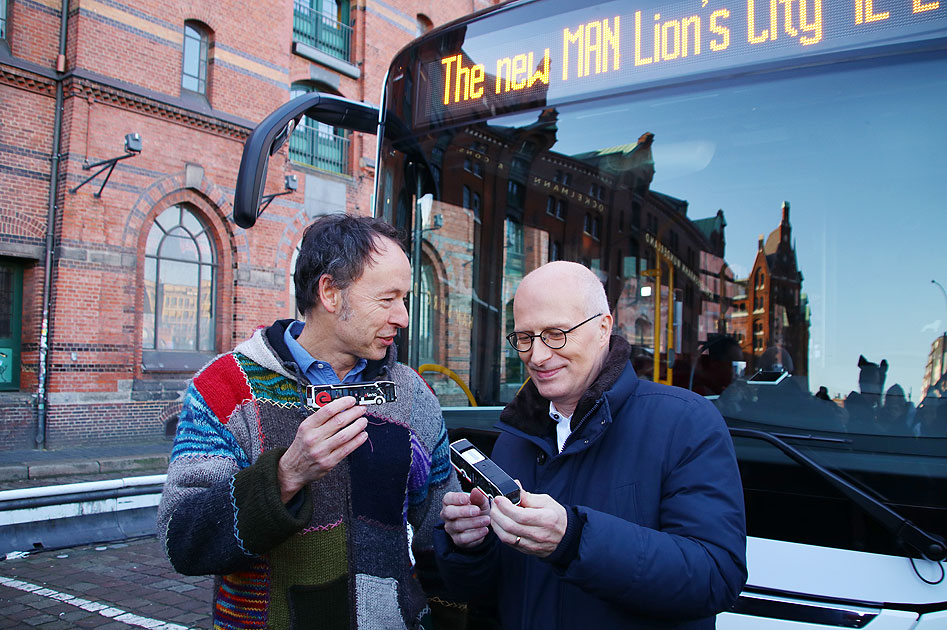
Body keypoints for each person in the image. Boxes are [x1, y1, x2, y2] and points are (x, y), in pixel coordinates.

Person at [157, 214, 460, 629]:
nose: (403, 317)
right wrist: (284, 476)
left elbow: (437, 536)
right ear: (331, 293)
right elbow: (183, 540)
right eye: (387, 299)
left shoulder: (413, 397)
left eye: (404, 299)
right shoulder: (224, 388)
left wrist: (468, 534)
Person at [435, 261, 747, 629]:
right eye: (525, 337)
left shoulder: (686, 423)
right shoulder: (512, 442)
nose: (536, 356)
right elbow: (488, 596)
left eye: (555, 334)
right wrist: (470, 546)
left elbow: (715, 577)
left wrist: (574, 539)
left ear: (603, 328)